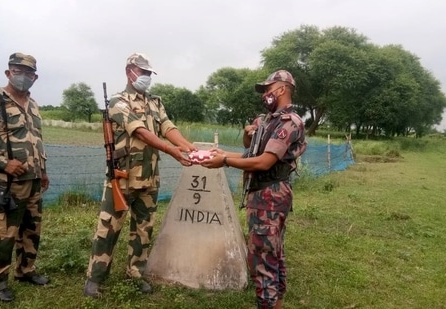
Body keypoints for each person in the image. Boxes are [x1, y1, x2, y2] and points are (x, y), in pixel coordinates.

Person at [83, 52, 196, 298]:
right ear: (129, 71)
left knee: (144, 229)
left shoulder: (155, 102)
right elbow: (142, 132)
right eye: (142, 72)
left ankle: (135, 272)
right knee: (108, 228)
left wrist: (189, 147)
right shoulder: (118, 102)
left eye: (148, 73)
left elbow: (167, 127)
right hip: (123, 177)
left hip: (150, 177)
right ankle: (95, 278)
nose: (146, 77)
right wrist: (172, 151)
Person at [201, 70, 306, 309]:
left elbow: (263, 162)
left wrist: (225, 161)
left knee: (263, 259)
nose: (265, 94)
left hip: (270, 195)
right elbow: (251, 151)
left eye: (268, 89)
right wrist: (242, 140)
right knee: (273, 253)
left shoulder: (289, 123)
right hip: (264, 194)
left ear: (281, 89)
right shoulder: (267, 120)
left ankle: (268, 304)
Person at [0, 52, 50, 302]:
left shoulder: (33, 104)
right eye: (18, 71)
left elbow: (37, 140)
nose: (23, 76)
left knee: (31, 229)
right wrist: (3, 162)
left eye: (29, 73)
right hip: (8, 183)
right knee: (3, 234)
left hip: (33, 180)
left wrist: (43, 171)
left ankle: (26, 271)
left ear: (35, 77)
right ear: (8, 73)